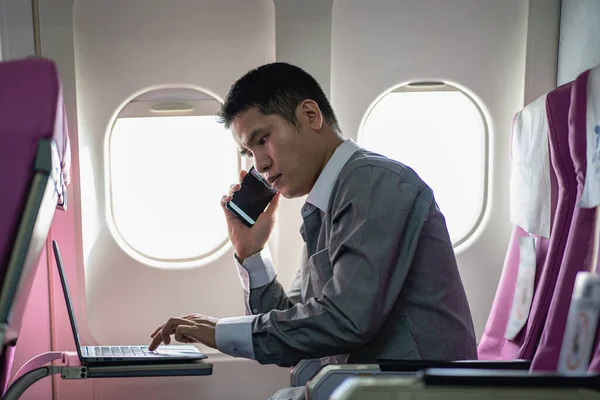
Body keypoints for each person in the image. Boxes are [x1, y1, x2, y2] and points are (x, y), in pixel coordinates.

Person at [149, 62, 477, 399]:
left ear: (310, 115)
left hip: (411, 388)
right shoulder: (326, 203)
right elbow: (300, 327)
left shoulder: (374, 182)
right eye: (249, 152)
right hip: (367, 385)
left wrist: (221, 332)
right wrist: (251, 252)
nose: (259, 165)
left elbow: (344, 320)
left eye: (263, 140)